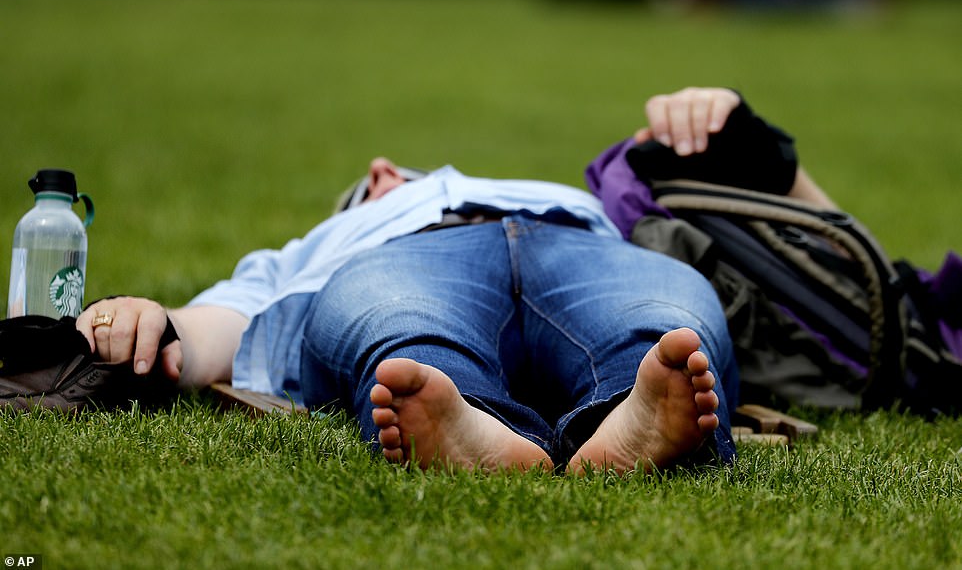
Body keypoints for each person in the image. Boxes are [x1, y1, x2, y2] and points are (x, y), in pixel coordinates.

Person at [74, 87, 776, 474]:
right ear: (374, 189)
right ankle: (465, 418)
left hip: (576, 242)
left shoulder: (571, 197)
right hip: (413, 255)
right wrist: (155, 322)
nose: (384, 170)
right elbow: (221, 321)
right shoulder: (323, 245)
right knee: (400, 318)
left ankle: (632, 411)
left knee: (662, 311)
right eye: (370, 182)